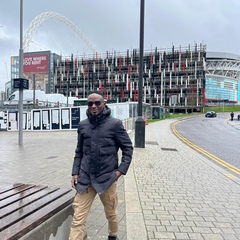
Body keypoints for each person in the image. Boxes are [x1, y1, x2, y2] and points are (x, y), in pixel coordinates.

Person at [68, 92, 133, 240]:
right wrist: (75, 172)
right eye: (90, 104)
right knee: (78, 218)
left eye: (97, 103)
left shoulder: (115, 124)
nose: (94, 106)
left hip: (107, 178)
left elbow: (128, 148)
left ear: (104, 103)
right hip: (85, 178)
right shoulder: (83, 125)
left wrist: (120, 171)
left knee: (111, 213)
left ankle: (113, 235)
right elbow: (79, 151)